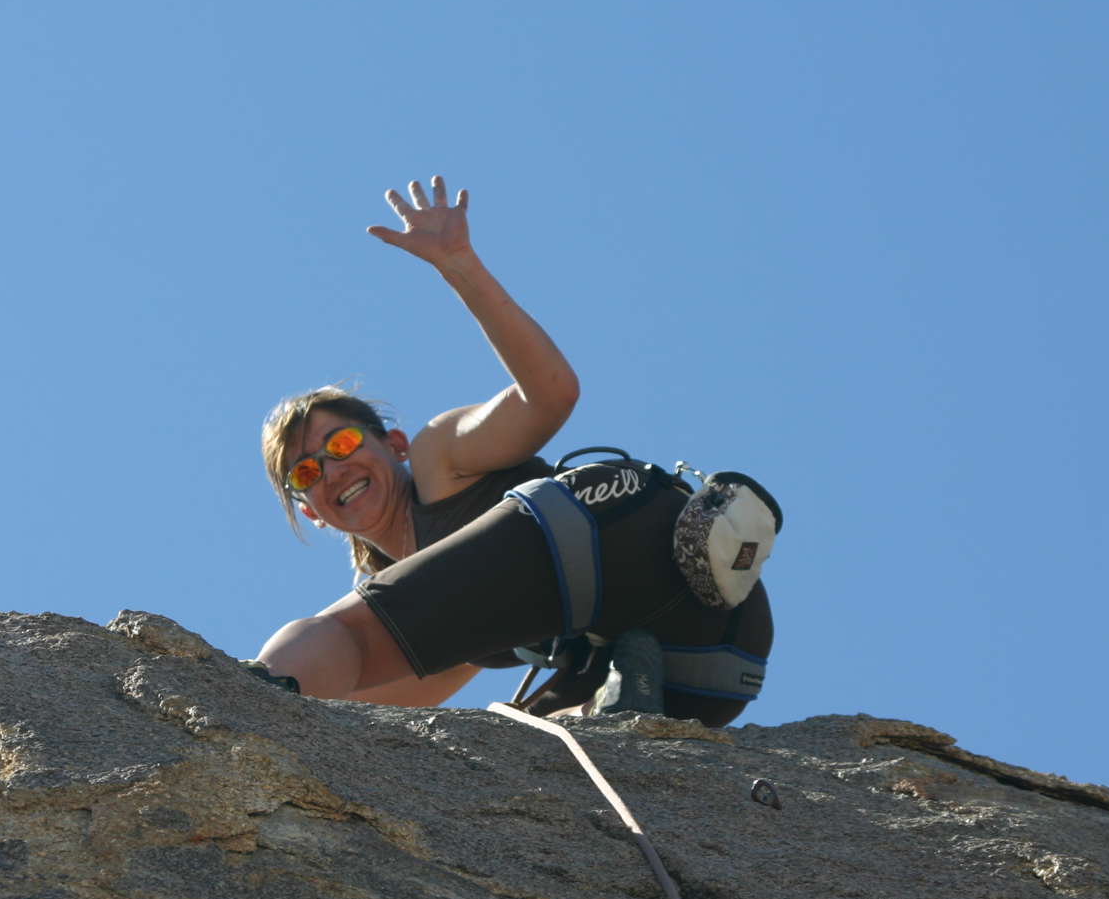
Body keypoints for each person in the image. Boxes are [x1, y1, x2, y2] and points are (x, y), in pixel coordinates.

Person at [253, 177, 772, 727]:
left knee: (342, 633)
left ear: (394, 444)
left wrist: (459, 266)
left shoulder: (438, 457)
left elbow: (550, 394)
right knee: (540, 735)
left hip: (632, 541)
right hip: (709, 667)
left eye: (342, 444)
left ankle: (253, 705)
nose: (333, 470)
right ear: (311, 511)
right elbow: (367, 707)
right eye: (306, 473)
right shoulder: (441, 604)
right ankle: (615, 699)